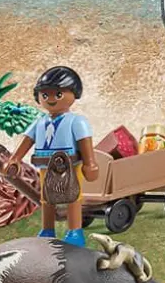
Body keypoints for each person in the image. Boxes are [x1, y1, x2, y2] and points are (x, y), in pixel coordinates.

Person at [6, 65, 98, 247]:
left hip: (69, 165)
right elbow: (27, 140)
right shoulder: (39, 122)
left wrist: (90, 163)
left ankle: (75, 231)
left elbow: (85, 142)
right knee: (47, 198)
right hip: (45, 165)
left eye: (58, 94)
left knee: (72, 196)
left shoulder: (76, 121)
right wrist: (15, 158)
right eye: (45, 95)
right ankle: (48, 229)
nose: (51, 99)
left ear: (73, 94)